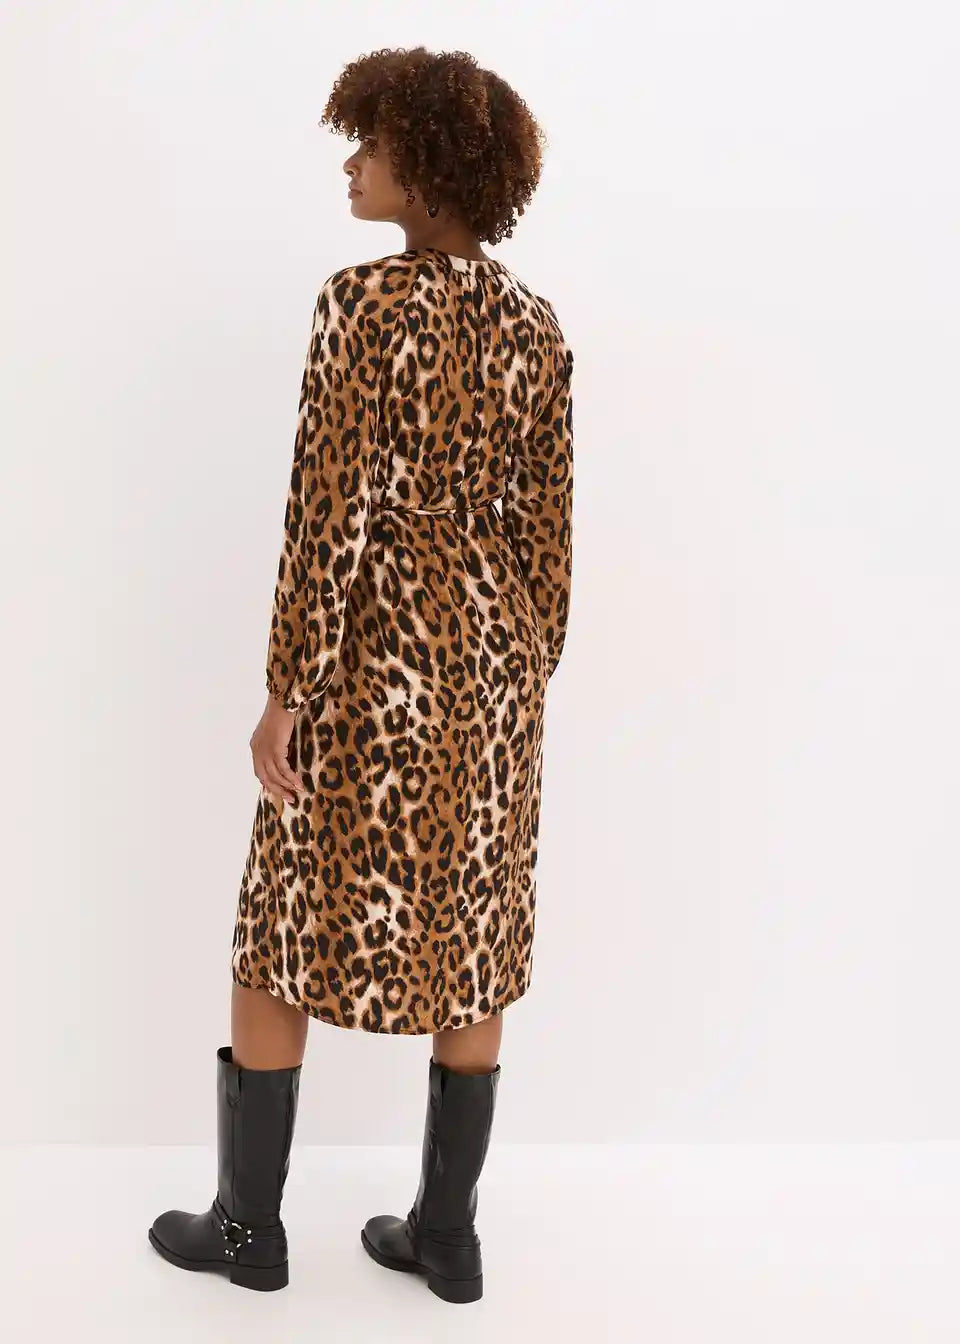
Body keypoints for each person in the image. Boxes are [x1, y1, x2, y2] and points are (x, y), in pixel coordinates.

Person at [148, 45, 574, 1305]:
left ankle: (248, 1232)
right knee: (476, 933)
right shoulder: (537, 326)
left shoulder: (362, 305)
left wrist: (288, 691)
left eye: (372, 144)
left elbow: (327, 513)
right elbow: (549, 537)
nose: (352, 163)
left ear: (426, 166)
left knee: (278, 927)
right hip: (493, 666)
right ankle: (447, 1237)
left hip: (373, 652)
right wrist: (516, 675)